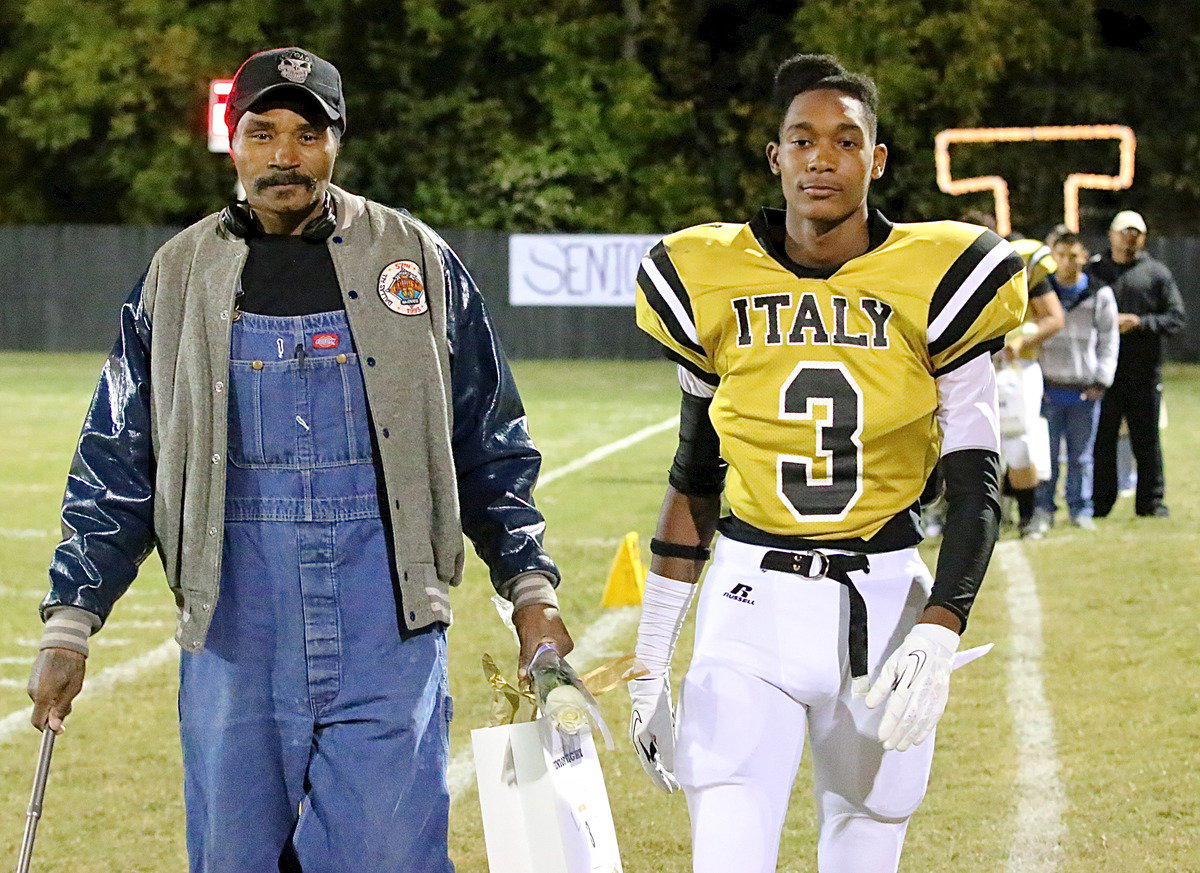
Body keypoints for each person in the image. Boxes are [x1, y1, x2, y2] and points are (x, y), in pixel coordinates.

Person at [26, 46, 573, 873]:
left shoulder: (415, 261)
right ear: (232, 141)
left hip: (388, 619)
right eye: (264, 132)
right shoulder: (177, 275)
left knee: (390, 853)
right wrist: (71, 620)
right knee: (235, 855)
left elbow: (488, 435)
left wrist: (530, 589)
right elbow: (117, 455)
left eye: (308, 133)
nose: (285, 155)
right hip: (236, 623)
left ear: (337, 143)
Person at [627, 54, 1026, 873]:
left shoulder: (942, 275)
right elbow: (694, 476)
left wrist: (942, 627)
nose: (822, 157)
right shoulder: (709, 275)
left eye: (846, 141)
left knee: (866, 850)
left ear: (875, 160)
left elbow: (975, 481)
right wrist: (649, 657)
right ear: (775, 155)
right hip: (749, 604)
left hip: (882, 608)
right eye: (802, 139)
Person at [962, 214, 1064, 537]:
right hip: (970, 366)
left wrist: (1020, 342)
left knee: (1018, 440)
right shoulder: (956, 269)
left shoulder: (1017, 265)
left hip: (1015, 367)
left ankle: (1029, 515)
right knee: (966, 441)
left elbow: (1053, 317)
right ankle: (970, 515)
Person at [1090, 210, 1186, 518]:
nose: (1130, 238)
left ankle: (1151, 502)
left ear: (1143, 237)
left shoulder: (1156, 273)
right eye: (1124, 232)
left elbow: (1176, 317)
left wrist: (1140, 323)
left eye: (1136, 233)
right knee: (1102, 440)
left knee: (1146, 441)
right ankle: (1099, 504)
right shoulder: (1094, 271)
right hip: (1104, 371)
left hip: (1143, 372)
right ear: (1112, 234)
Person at [1031, 231, 1118, 531]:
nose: (1068, 262)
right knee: (1046, 455)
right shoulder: (1042, 291)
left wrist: (1102, 380)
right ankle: (1043, 509)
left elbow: (1109, 340)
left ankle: (1080, 509)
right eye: (1061, 255)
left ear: (1084, 256)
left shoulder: (1099, 293)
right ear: (1052, 256)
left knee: (1082, 457)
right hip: (1048, 386)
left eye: (1074, 255)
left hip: (1084, 388)